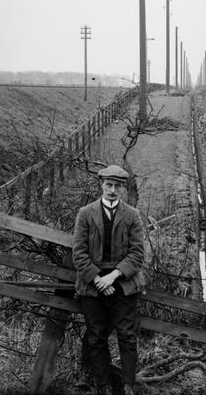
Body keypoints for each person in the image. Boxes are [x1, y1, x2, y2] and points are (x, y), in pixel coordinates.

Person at [72, 164, 145, 395]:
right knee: (96, 336)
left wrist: (113, 276)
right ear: (101, 185)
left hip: (123, 281)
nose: (112, 190)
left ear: (123, 188)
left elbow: (137, 254)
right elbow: (79, 253)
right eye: (109, 185)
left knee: (126, 335)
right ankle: (103, 386)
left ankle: (128, 385)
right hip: (92, 282)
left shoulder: (132, 215)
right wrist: (97, 280)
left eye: (117, 186)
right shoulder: (85, 213)